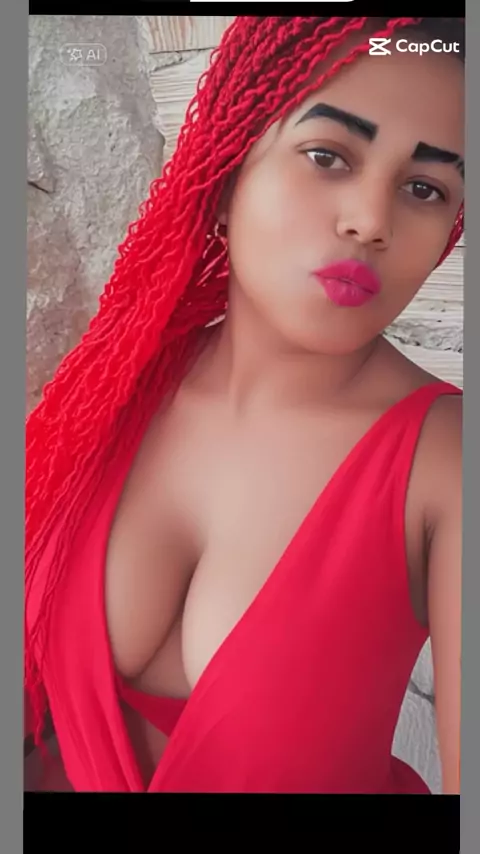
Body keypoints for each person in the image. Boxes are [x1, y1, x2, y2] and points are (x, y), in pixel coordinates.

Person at [24, 16, 464, 793]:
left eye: (424, 188)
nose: (371, 220)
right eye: (327, 155)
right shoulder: (114, 384)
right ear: (228, 172)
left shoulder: (448, 464)